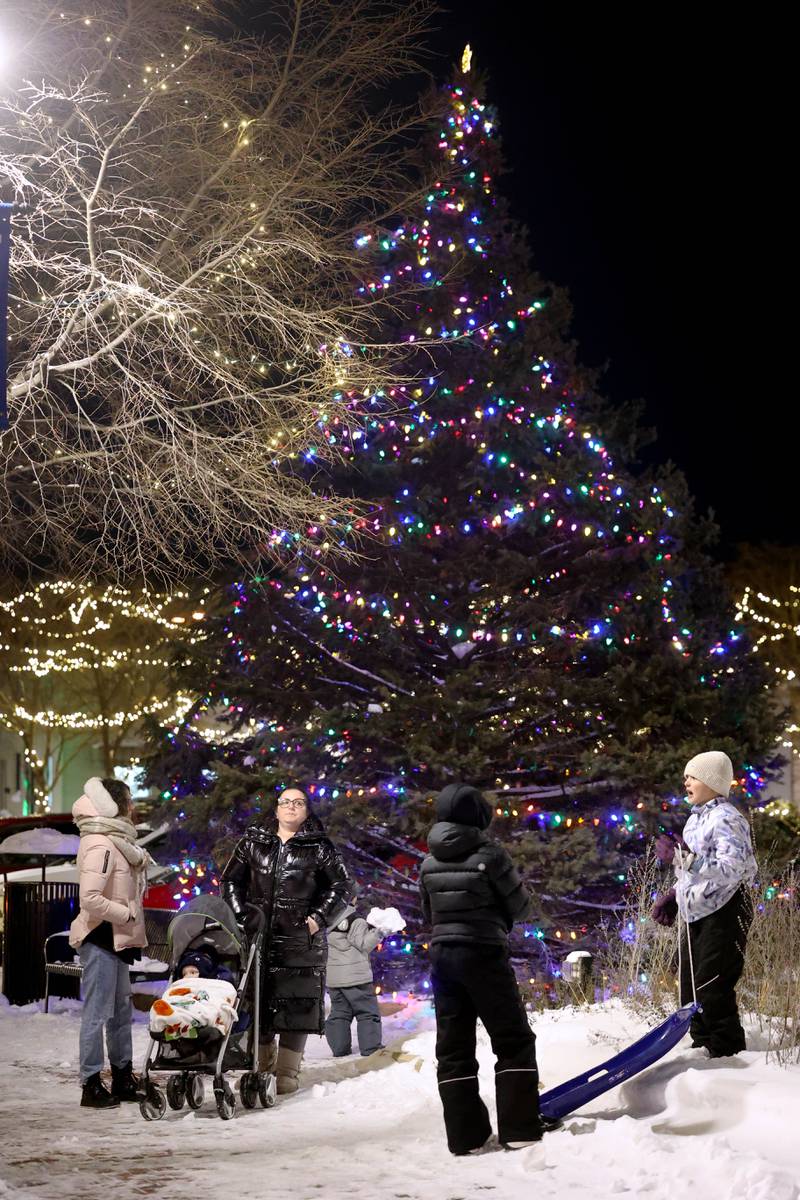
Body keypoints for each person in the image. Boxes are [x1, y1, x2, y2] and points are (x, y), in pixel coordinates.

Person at [419, 782, 542, 1155]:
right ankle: (519, 1128)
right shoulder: (491, 854)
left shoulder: (428, 861)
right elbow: (521, 907)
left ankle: (465, 1136)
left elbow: (428, 913)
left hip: (443, 956)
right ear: (478, 816)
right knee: (512, 1038)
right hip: (484, 953)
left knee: (453, 1047)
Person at [221, 785, 351, 1094]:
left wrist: (317, 919)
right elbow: (230, 880)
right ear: (276, 809)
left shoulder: (320, 847)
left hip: (300, 941)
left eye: (298, 803)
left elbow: (343, 886)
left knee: (297, 1004)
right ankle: (262, 1067)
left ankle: (287, 1072)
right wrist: (241, 916)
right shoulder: (253, 843)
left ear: (307, 810)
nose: (291, 807)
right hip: (259, 939)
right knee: (260, 1002)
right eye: (285, 802)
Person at [651, 751, 756, 1057]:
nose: (686, 781)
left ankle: (725, 1053)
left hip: (726, 909)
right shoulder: (697, 818)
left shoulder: (727, 818)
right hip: (697, 911)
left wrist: (682, 858)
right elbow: (696, 870)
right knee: (690, 990)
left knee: (713, 987)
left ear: (711, 781)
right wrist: (675, 894)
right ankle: (703, 1047)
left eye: (692, 776)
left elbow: (733, 867)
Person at [69, 777, 150, 1108]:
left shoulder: (118, 841)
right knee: (98, 1013)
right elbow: (89, 898)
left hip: (117, 940)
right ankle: (90, 1084)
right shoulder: (102, 843)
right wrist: (126, 914)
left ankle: (122, 1078)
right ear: (115, 806)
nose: (132, 808)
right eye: (128, 801)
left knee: (119, 1013)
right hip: (101, 937)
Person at [324, 899, 405, 1057]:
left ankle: (339, 1049)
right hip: (356, 977)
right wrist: (380, 932)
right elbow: (365, 944)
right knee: (367, 1012)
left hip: (334, 977)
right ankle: (371, 1048)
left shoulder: (328, 917)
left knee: (340, 1013)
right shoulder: (355, 920)